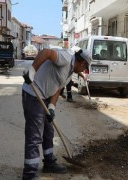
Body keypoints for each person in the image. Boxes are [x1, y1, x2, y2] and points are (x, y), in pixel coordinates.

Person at [21, 47, 92, 180]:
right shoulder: (66, 58)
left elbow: (58, 88)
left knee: (48, 131)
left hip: (45, 97)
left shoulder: (70, 72)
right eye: (85, 68)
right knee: (35, 136)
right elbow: (46, 52)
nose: (83, 71)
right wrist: (32, 70)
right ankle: (29, 174)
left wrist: (52, 107)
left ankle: (49, 163)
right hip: (33, 93)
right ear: (82, 63)